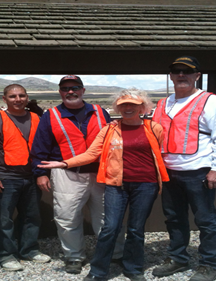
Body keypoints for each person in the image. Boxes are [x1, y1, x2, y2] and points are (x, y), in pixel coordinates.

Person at [38, 89, 169, 281]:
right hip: (117, 185)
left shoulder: (153, 128)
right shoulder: (110, 129)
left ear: (142, 107)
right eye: (123, 105)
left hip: (145, 185)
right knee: (110, 227)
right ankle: (98, 271)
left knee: (136, 229)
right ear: (118, 107)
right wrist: (64, 163)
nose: (128, 108)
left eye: (132, 104)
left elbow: (161, 153)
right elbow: (91, 154)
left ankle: (133, 269)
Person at [152, 56, 216, 281]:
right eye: (177, 71)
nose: (181, 75)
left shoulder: (210, 102)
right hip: (169, 172)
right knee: (174, 218)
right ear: (171, 76)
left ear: (197, 76)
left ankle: (209, 264)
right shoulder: (163, 103)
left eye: (187, 71)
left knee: (206, 220)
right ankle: (178, 258)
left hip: (198, 171)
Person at [30, 75, 124, 274]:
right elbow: (40, 146)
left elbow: (113, 141)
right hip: (67, 175)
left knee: (107, 217)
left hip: (101, 174)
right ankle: (74, 256)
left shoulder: (100, 112)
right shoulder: (51, 115)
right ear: (60, 92)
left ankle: (114, 253)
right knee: (67, 217)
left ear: (83, 90)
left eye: (74, 87)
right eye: (65, 88)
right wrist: (40, 173)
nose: (70, 91)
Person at [0, 84, 51, 271]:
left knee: (32, 216)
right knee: (3, 218)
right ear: (4, 99)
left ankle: (29, 249)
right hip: (6, 176)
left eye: (22, 95)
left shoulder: (37, 118)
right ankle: (4, 254)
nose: (18, 99)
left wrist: (43, 173)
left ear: (27, 97)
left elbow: (44, 148)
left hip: (31, 176)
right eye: (13, 96)